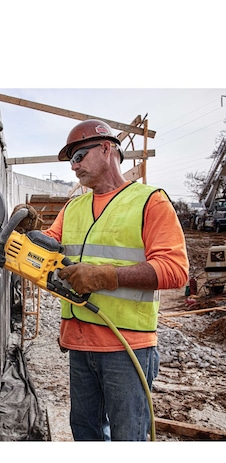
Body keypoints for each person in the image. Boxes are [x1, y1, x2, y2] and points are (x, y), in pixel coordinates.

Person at [21, 119, 189, 441]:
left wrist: (106, 276)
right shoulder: (73, 208)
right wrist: (26, 233)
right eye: (71, 161)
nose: (74, 167)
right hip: (79, 345)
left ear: (106, 148)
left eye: (79, 156)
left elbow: (176, 269)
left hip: (126, 348)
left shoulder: (149, 201)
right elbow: (45, 250)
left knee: (129, 437)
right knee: (86, 433)